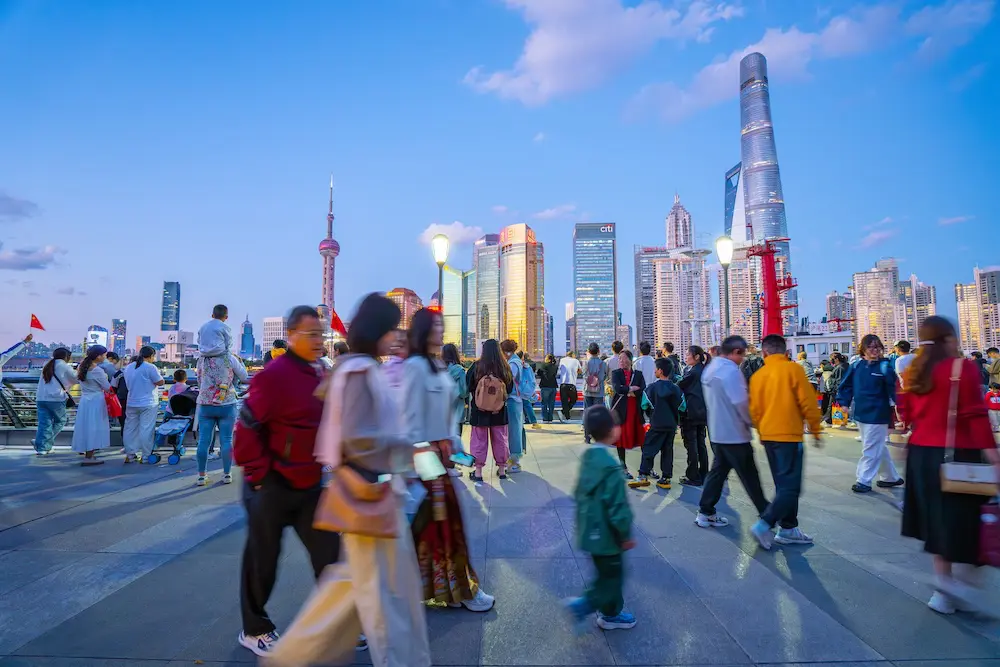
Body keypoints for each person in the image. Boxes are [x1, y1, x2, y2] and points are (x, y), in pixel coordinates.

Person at [268, 296, 430, 667]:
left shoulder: (353, 367)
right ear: (378, 330)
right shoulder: (359, 370)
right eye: (392, 328)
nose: (396, 336)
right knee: (381, 596)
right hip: (369, 491)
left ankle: (292, 655)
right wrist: (408, 451)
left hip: (371, 489)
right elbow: (357, 438)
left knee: (356, 587)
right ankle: (294, 656)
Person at [233, 305, 346, 658]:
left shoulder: (318, 373)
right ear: (293, 335)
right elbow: (247, 426)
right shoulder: (274, 375)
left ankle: (337, 623)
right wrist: (259, 476)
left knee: (330, 554)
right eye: (312, 334)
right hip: (270, 483)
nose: (319, 341)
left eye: (321, 334)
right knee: (262, 559)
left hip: (308, 481)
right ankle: (255, 629)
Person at [898, 316, 1000, 615]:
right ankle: (961, 585)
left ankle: (943, 591)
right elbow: (975, 416)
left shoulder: (914, 370)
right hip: (959, 457)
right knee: (967, 521)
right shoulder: (962, 368)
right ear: (948, 338)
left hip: (921, 456)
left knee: (937, 524)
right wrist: (994, 457)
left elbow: (907, 412)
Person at [403, 309, 495, 612]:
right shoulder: (415, 367)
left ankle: (446, 590)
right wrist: (428, 467)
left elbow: (445, 415)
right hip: (427, 461)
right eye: (436, 327)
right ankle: (463, 590)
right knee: (444, 526)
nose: (441, 332)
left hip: (440, 458)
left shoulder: (435, 365)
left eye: (442, 326)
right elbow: (411, 420)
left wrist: (455, 451)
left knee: (439, 528)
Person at [565, 405, 637, 633]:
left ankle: (610, 613)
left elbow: (578, 493)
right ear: (612, 431)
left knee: (605, 574)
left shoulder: (588, 459)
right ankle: (587, 606)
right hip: (608, 537)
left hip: (589, 532)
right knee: (612, 577)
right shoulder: (611, 467)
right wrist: (624, 534)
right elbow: (618, 507)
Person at [747, 334, 822, 549]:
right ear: (786, 352)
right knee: (791, 487)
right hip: (789, 436)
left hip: (769, 438)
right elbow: (808, 403)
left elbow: (754, 412)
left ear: (764, 353)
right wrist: (816, 430)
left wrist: (762, 432)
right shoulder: (794, 370)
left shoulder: (758, 376)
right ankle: (765, 524)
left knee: (783, 485)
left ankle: (788, 528)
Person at [696, 335, 770, 530]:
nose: (743, 359)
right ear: (736, 352)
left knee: (718, 473)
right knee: (750, 477)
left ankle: (706, 511)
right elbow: (740, 402)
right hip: (735, 433)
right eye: (742, 355)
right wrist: (753, 424)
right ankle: (769, 517)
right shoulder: (730, 371)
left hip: (719, 431)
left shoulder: (711, 369)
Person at [836, 333, 904, 493]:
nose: (874, 350)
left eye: (877, 347)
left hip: (878, 414)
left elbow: (895, 391)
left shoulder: (885, 367)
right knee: (876, 446)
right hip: (860, 413)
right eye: (870, 347)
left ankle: (863, 480)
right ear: (863, 349)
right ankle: (890, 477)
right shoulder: (857, 366)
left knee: (870, 447)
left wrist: (900, 410)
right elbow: (846, 386)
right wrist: (844, 403)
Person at [195, 344, 249, 485]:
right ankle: (227, 474)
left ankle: (201, 476)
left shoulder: (201, 359)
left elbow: (199, 379)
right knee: (226, 440)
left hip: (206, 403)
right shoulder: (229, 358)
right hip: (227, 402)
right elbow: (244, 376)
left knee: (203, 441)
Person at [467, 339, 515, 482]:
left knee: (478, 440)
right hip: (499, 411)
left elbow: (468, 385)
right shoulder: (504, 367)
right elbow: (510, 389)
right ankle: (501, 470)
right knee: (500, 440)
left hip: (479, 411)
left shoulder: (477, 366)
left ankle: (479, 472)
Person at [631, 357, 682, 489]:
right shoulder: (676, 389)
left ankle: (643, 475)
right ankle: (666, 478)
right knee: (667, 450)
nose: (654, 371)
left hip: (657, 423)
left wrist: (650, 413)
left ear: (660, 370)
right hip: (671, 425)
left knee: (649, 448)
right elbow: (682, 406)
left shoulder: (651, 388)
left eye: (655, 369)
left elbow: (644, 405)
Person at [122, 346, 165, 463]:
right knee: (146, 429)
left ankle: (130, 454)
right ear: (151, 356)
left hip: (131, 401)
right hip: (148, 403)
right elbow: (159, 381)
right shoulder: (150, 367)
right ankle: (146, 455)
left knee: (130, 428)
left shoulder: (129, 367)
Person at [71, 345, 111, 466]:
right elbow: (108, 388)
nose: (105, 357)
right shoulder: (97, 370)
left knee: (86, 426)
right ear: (98, 356)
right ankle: (89, 456)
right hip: (96, 400)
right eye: (104, 355)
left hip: (85, 400)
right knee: (94, 426)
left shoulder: (82, 366)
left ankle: (88, 453)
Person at [33, 347, 77, 455]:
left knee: (44, 423)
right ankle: (43, 444)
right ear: (67, 357)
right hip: (55, 399)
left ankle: (41, 445)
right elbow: (76, 378)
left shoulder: (46, 364)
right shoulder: (64, 366)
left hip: (41, 398)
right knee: (61, 421)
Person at [610, 351, 645, 480]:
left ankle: (646, 467)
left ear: (631, 360)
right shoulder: (616, 373)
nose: (622, 361)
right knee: (621, 440)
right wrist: (630, 389)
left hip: (635, 410)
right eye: (620, 359)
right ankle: (622, 466)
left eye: (624, 359)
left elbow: (642, 389)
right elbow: (617, 388)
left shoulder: (638, 374)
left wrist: (631, 392)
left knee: (642, 439)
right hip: (621, 410)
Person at [678, 346, 709, 487]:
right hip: (702, 412)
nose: (685, 356)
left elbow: (678, 386)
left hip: (691, 413)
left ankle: (693, 475)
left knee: (691, 445)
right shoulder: (704, 370)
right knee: (700, 444)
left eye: (687, 354)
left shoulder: (693, 372)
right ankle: (703, 473)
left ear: (696, 357)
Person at [500, 340, 526, 471]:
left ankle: (515, 461)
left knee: (514, 431)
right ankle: (513, 460)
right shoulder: (516, 361)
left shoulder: (513, 363)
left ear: (506, 351)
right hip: (515, 400)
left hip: (513, 400)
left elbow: (508, 380)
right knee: (514, 429)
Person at [583, 343, 608, 443]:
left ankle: (587, 437)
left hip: (587, 390)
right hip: (599, 391)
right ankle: (598, 437)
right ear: (598, 352)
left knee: (587, 413)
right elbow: (604, 377)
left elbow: (584, 376)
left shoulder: (585, 363)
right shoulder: (603, 363)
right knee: (597, 414)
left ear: (589, 351)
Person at [442, 343, 468, 438]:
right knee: (456, 440)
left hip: (442, 411)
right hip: (457, 409)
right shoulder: (460, 370)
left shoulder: (439, 369)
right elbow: (464, 391)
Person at [518, 351, 540, 431]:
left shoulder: (516, 365)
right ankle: (534, 422)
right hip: (526, 389)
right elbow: (532, 378)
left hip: (518, 389)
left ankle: (521, 422)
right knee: (527, 405)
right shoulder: (529, 366)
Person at [557, 352, 580, 422]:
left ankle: (566, 416)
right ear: (573, 355)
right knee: (574, 399)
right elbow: (580, 370)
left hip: (563, 384)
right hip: (571, 383)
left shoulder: (562, 360)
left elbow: (559, 370)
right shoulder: (576, 361)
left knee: (564, 402)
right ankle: (565, 414)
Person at [536, 353, 559, 423]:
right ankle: (550, 418)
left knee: (544, 403)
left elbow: (539, 373)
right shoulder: (555, 366)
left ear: (547, 358)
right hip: (553, 386)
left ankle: (545, 418)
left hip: (545, 386)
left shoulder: (543, 365)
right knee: (551, 403)